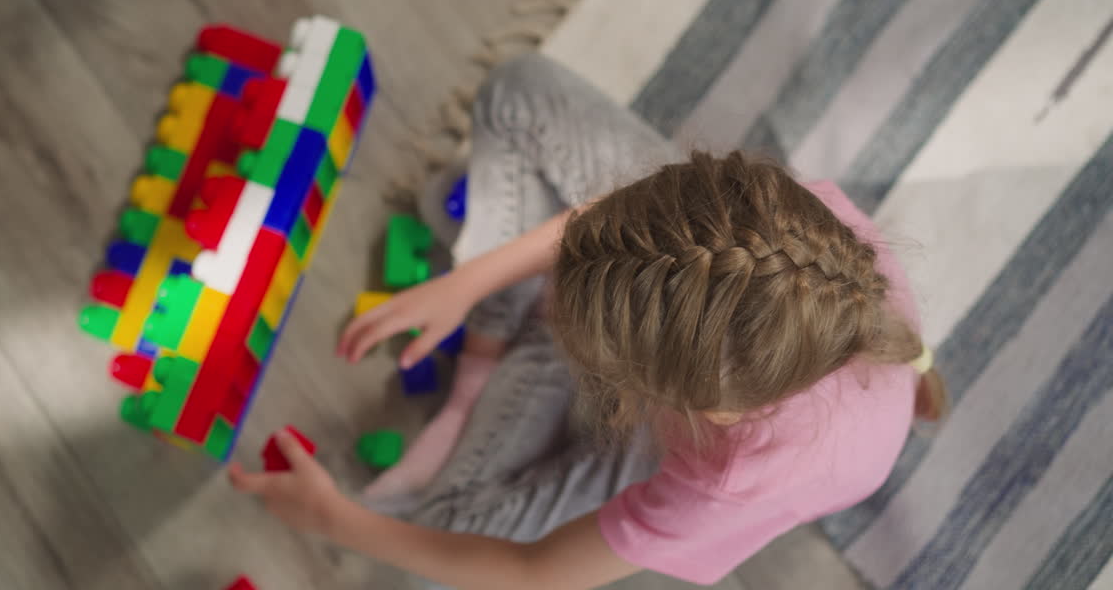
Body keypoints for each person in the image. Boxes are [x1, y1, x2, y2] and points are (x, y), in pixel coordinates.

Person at [228, 53, 946, 589]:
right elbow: (609, 220)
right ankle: (486, 364)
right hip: (702, 297)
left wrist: (334, 520)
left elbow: (534, 572)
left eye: (598, 348)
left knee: (432, 542)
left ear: (698, 408)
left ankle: (518, 350)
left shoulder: (723, 482)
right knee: (519, 91)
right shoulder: (799, 225)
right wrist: (470, 285)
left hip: (689, 430)